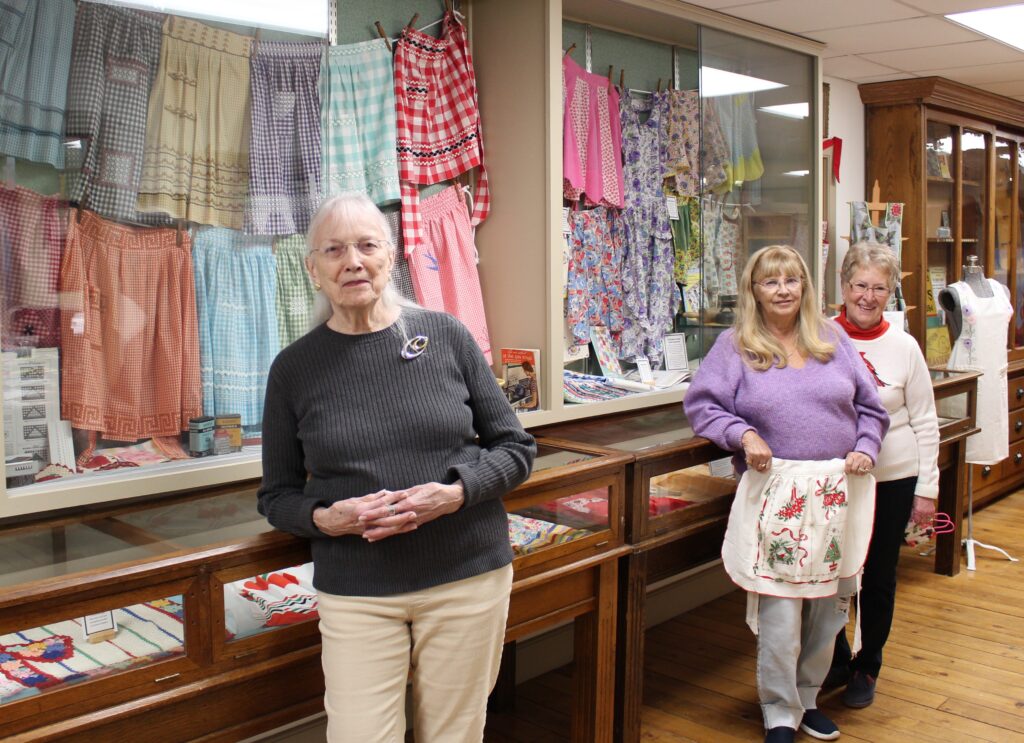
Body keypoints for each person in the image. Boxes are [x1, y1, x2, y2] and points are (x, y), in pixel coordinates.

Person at [257, 193, 536, 742]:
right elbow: (277, 496)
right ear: (313, 269)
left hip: (466, 576)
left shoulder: (448, 336)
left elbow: (516, 448)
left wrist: (454, 493)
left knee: (454, 736)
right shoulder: (293, 370)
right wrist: (326, 519)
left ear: (391, 257)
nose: (352, 261)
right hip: (357, 591)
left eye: (366, 245)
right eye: (334, 250)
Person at [684, 245, 889, 743]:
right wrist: (743, 435)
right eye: (771, 282)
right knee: (780, 609)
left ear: (805, 287)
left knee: (829, 606)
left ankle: (807, 697)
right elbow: (703, 406)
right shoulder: (736, 347)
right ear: (753, 290)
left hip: (839, 491)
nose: (783, 290)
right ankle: (778, 710)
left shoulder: (832, 339)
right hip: (778, 494)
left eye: (792, 280)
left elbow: (872, 408)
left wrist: (866, 445)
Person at [825, 241, 940, 708]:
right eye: (860, 285)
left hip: (893, 477)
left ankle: (867, 664)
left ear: (890, 293)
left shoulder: (905, 346)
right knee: (832, 572)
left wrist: (927, 489)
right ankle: (832, 657)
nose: (868, 296)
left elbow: (926, 420)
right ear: (845, 286)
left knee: (878, 575)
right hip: (834, 480)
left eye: (879, 288)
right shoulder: (822, 338)